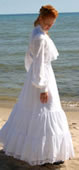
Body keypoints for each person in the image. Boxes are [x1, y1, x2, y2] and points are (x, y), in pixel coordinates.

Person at [0, 4, 74, 166]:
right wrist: (42, 87)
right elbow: (39, 63)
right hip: (43, 78)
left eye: (51, 23)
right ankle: (44, 154)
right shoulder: (40, 37)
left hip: (36, 76)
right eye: (47, 23)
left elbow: (29, 58)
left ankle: (35, 150)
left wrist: (31, 76)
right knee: (45, 110)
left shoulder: (36, 32)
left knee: (32, 111)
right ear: (40, 18)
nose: (49, 26)